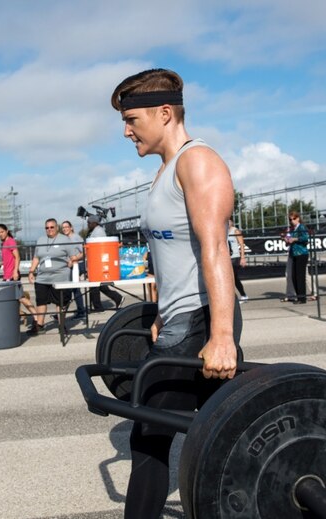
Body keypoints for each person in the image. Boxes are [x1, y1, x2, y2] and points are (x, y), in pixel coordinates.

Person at [111, 68, 242, 518]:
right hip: (180, 320)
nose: (127, 131)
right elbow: (172, 254)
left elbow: (214, 251)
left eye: (132, 120)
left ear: (164, 113)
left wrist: (221, 334)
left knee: (148, 440)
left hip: (203, 321)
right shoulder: (165, 171)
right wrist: (162, 312)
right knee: (222, 437)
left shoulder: (198, 162)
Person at [26, 218, 82, 336]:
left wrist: (72, 263)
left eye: (52, 227)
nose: (49, 229)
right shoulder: (41, 240)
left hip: (60, 277)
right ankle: (39, 325)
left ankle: (62, 326)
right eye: (47, 228)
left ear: (57, 228)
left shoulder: (64, 239)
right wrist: (31, 271)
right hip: (42, 278)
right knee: (41, 302)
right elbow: (36, 258)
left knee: (61, 302)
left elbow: (74, 256)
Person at [0, 223, 38, 326]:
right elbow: (9, 258)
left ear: (7, 231)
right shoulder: (4, 243)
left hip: (12, 276)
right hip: (7, 276)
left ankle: (37, 317)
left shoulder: (10, 241)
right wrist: (1, 263)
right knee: (15, 298)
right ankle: (20, 317)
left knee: (21, 298)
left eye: (2, 232)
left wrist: (15, 271)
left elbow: (17, 257)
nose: (0, 234)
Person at [86, 215, 124, 311]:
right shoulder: (95, 231)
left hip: (98, 261)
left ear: (94, 223)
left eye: (89, 223)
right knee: (96, 284)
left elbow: (100, 246)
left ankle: (102, 304)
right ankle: (99, 305)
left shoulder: (98, 231)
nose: (88, 225)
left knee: (97, 283)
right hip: (96, 261)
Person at [60, 220, 87, 319]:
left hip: (77, 265)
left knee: (73, 288)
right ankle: (76, 310)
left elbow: (85, 251)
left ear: (71, 227)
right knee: (71, 289)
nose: (65, 229)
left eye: (67, 227)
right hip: (70, 266)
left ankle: (80, 311)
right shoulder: (65, 238)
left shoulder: (75, 237)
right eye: (63, 227)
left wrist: (74, 259)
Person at [285, 211, 310, 304]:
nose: (292, 221)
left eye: (294, 219)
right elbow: (289, 240)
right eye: (290, 219)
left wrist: (295, 239)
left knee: (300, 276)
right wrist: (287, 240)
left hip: (302, 254)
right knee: (293, 276)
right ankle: (298, 295)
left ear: (298, 218)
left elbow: (306, 238)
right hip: (294, 253)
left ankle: (302, 298)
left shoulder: (301, 227)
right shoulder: (292, 229)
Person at [227, 218, 248, 302]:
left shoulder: (235, 231)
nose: (227, 222)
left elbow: (242, 244)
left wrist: (242, 257)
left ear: (231, 221)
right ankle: (242, 295)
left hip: (235, 257)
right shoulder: (224, 231)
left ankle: (242, 295)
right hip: (227, 258)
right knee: (233, 278)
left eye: (228, 220)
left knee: (233, 277)